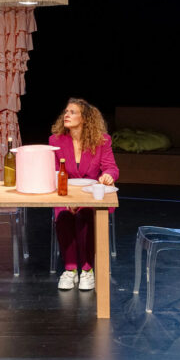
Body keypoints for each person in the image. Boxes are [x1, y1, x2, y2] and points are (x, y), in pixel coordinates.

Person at [48, 98, 119, 291]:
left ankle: (87, 270)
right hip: (66, 192)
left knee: (85, 214)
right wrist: (70, 199)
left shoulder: (102, 141)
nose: (66, 115)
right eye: (66, 112)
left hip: (91, 194)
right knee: (63, 213)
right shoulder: (56, 141)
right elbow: (54, 172)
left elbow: (111, 167)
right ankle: (70, 269)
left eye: (72, 112)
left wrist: (108, 176)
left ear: (85, 118)